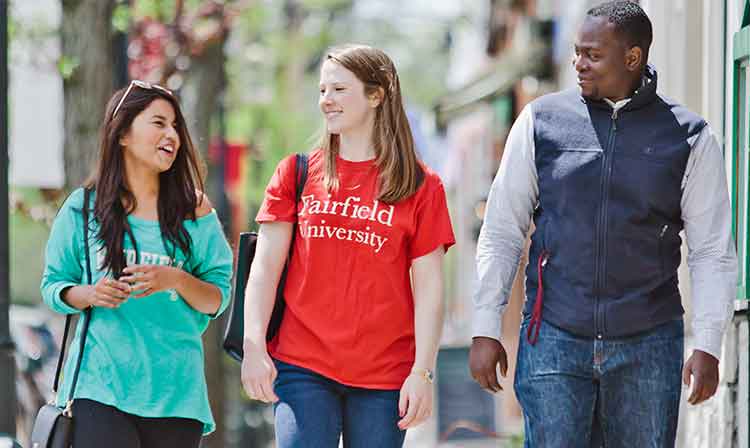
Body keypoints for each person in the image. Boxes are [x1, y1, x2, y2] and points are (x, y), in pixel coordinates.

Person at [469, 1, 737, 447]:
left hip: (648, 343)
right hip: (554, 337)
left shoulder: (689, 137)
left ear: (633, 58)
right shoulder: (540, 122)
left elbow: (711, 251)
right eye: (576, 52)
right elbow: (501, 231)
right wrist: (485, 326)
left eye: (592, 55)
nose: (578, 64)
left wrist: (709, 343)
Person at [240, 44, 455, 447]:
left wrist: (422, 373)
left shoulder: (422, 188)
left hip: (385, 376)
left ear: (376, 95)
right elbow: (265, 268)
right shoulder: (296, 173)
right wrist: (254, 346)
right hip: (302, 365)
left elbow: (429, 290)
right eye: (322, 90)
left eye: (338, 89)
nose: (326, 101)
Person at [40, 80, 233, 448]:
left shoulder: (195, 210)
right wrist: (90, 293)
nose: (172, 134)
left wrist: (175, 278)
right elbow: (53, 286)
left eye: (176, 126)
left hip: (176, 394)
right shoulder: (84, 208)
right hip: (99, 388)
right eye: (158, 123)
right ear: (123, 133)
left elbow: (217, 298)